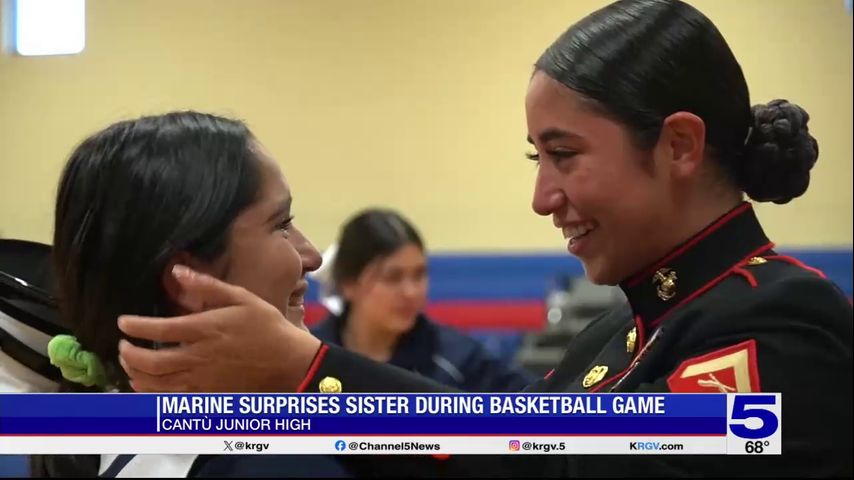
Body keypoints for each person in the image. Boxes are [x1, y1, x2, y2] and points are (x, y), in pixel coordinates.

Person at [116, 0, 853, 476]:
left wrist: (314, 377)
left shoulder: (780, 323)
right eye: (539, 160)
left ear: (680, 146)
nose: (542, 198)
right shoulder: (612, 334)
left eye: (565, 155)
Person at [32, 111, 352, 477]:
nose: (311, 255)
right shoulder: (280, 462)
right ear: (187, 281)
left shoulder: (109, 434)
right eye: (281, 224)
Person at [311, 208, 533, 392]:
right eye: (392, 277)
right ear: (349, 284)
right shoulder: (310, 357)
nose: (411, 292)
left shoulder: (460, 360)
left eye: (419, 275)